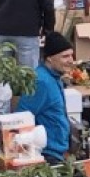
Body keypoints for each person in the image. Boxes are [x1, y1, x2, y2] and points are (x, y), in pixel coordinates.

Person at [14, 31, 73, 164]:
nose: (71, 61)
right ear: (49, 58)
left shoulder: (54, 77)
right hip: (47, 154)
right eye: (65, 56)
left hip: (57, 151)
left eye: (71, 55)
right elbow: (22, 116)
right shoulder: (41, 81)